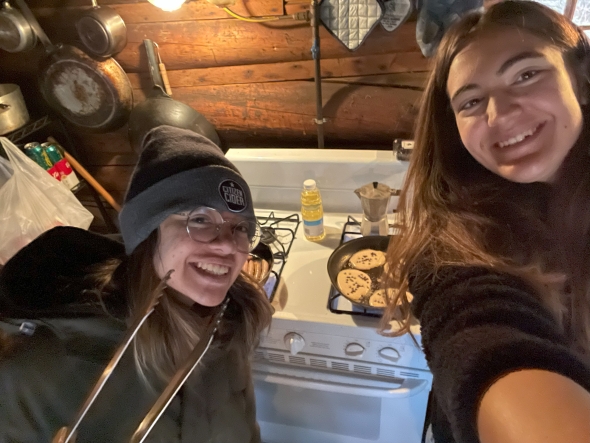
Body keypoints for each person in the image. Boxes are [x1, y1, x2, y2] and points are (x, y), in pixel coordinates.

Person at [381, 2, 590, 443]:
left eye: (526, 75)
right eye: (472, 101)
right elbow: (483, 331)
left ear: (581, 80)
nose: (501, 114)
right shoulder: (457, 244)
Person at [0, 125, 273, 442]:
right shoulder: (45, 370)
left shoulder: (228, 323)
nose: (228, 245)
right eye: (200, 219)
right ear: (147, 231)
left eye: (240, 228)